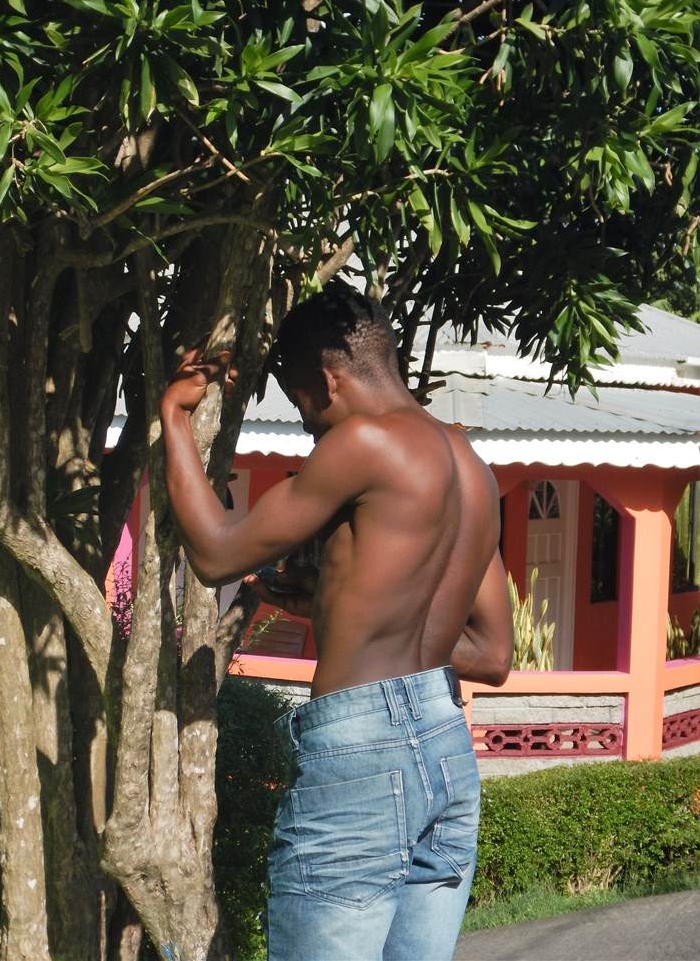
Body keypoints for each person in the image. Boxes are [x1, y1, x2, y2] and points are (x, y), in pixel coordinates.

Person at [160, 281, 513, 961]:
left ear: (327, 380)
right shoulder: (471, 465)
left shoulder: (364, 442)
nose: (308, 426)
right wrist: (334, 603)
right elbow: (492, 652)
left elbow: (214, 553)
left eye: (301, 406)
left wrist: (175, 415)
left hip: (361, 757)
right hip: (444, 749)